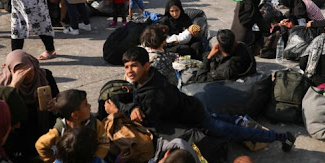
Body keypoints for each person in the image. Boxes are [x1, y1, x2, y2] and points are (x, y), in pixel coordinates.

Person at [117, 47, 295, 148]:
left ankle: (280, 137)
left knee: (237, 133)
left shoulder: (153, 94)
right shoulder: (149, 77)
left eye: (134, 66)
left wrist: (124, 109)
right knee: (222, 120)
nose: (129, 71)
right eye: (126, 67)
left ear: (146, 65)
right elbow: (138, 99)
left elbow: (146, 123)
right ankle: (241, 121)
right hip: (194, 107)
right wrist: (133, 106)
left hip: (196, 118)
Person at [0, 50, 60, 163]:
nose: (27, 74)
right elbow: (1, 111)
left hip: (43, 124)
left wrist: (56, 103)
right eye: (20, 71)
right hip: (20, 130)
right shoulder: (3, 84)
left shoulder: (44, 76)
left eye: (29, 69)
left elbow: (58, 97)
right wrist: (14, 85)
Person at [36, 89, 109, 163]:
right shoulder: (59, 131)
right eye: (86, 104)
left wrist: (95, 160)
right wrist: (52, 160)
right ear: (75, 115)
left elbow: (104, 143)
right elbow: (40, 145)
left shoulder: (95, 124)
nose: (90, 106)